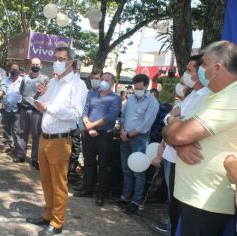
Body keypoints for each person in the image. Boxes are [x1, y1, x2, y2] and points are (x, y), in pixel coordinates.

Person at [163, 41, 237, 236]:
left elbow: (178, 134)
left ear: (217, 67)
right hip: (196, 198)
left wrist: (172, 126)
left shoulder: (232, 96)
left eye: (203, 64)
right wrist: (179, 145)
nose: (201, 69)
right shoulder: (215, 95)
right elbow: (181, 136)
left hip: (206, 201)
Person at [25, 43, 88, 235]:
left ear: (70, 62)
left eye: (61, 59)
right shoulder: (52, 82)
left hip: (61, 140)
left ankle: (58, 222)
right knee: (45, 180)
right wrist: (38, 99)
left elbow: (75, 113)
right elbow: (42, 106)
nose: (57, 63)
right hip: (44, 137)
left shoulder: (78, 85)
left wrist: (48, 108)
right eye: (55, 59)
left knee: (59, 183)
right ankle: (47, 214)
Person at [152, 55, 209, 235]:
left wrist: (174, 119)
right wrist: (173, 119)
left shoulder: (206, 96)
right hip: (171, 154)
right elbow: (169, 118)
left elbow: (181, 127)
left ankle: (174, 229)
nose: (184, 74)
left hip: (181, 158)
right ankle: (172, 227)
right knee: (172, 200)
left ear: (200, 73)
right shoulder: (191, 95)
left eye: (189, 71)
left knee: (178, 202)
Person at [74, 72, 121, 207]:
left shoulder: (115, 98)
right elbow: (84, 111)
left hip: (104, 135)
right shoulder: (92, 95)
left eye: (106, 80)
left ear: (112, 82)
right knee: (89, 163)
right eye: (102, 79)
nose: (103, 82)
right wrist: (88, 126)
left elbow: (111, 117)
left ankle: (101, 194)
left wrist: (91, 125)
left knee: (103, 165)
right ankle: (87, 189)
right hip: (89, 134)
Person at [117, 74, 159, 214]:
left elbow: (145, 125)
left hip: (139, 139)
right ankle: (125, 197)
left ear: (146, 86)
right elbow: (124, 116)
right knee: (125, 170)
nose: (137, 90)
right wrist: (123, 131)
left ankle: (136, 201)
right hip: (125, 136)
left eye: (139, 88)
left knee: (138, 171)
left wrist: (128, 134)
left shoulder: (152, 102)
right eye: (135, 88)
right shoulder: (131, 99)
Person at [13, 58, 48, 167]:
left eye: (37, 64)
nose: (35, 66)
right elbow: (21, 92)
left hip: (36, 111)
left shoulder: (45, 79)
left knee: (36, 135)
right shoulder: (25, 78)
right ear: (30, 65)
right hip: (24, 108)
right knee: (21, 132)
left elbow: (47, 94)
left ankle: (35, 159)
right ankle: (20, 155)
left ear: (41, 66)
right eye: (33, 64)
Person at [2, 63, 23, 153]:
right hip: (6, 108)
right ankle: (6, 144)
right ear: (9, 70)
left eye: (16, 69)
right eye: (12, 69)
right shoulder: (5, 80)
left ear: (19, 71)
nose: (14, 71)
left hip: (18, 109)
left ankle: (16, 145)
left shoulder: (23, 81)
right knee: (6, 127)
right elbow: (1, 92)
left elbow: (24, 93)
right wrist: (2, 103)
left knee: (16, 128)